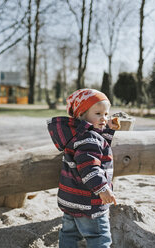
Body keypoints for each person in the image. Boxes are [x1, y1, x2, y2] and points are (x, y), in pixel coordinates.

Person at [47, 89, 120, 248]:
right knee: (99, 236)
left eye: (106, 114)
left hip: (71, 200)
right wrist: (102, 188)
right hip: (90, 202)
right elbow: (89, 167)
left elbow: (97, 145)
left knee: (69, 235)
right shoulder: (89, 139)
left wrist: (108, 130)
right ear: (81, 115)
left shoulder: (78, 135)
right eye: (98, 114)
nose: (104, 118)